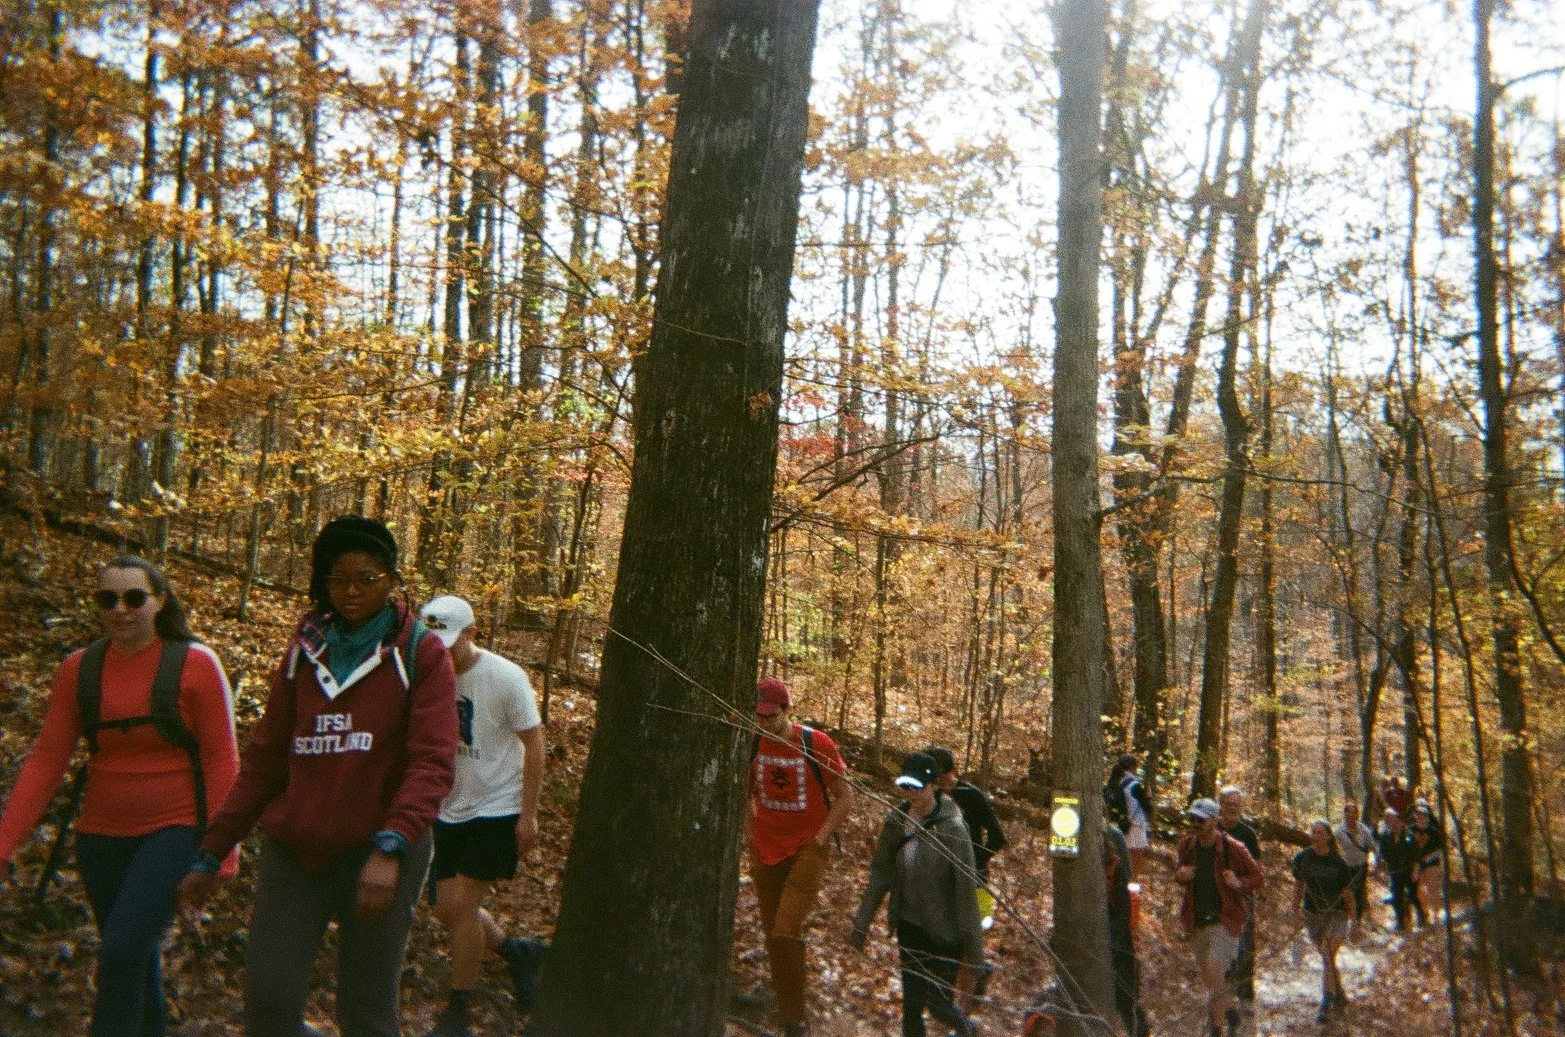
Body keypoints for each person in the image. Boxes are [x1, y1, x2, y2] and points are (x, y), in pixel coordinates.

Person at [177, 516, 458, 1037]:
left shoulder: (420, 652)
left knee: (366, 1009)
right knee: (269, 999)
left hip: (378, 850)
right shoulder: (304, 653)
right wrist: (212, 850)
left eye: (366, 579)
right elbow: (264, 762)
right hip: (297, 848)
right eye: (339, 579)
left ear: (392, 580)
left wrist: (391, 846)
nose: (351, 592)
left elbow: (432, 760)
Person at [0, 555, 239, 1037]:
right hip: (100, 836)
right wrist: (5, 842)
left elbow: (221, 760)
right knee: (132, 953)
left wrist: (222, 852)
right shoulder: (78, 669)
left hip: (175, 828)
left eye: (134, 597)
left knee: (124, 948)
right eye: (108, 599)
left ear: (160, 601)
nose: (121, 609)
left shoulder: (196, 664)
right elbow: (48, 759)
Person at [419, 595, 547, 1037]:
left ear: (472, 635)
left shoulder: (505, 678)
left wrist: (528, 815)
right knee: (444, 907)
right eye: (434, 645)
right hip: (451, 804)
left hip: (498, 802)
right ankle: (516, 951)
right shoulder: (427, 675)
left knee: (458, 904)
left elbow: (535, 742)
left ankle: (458, 1011)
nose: (443, 655)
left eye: (450, 645)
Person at [747, 677, 852, 1037]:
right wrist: (751, 834)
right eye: (759, 716)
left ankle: (796, 1021)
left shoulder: (814, 743)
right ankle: (786, 1004)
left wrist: (820, 840)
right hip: (765, 849)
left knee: (786, 930)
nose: (764, 723)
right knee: (772, 935)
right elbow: (745, 792)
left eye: (771, 716)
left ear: (787, 710)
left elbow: (845, 796)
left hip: (807, 848)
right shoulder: (752, 743)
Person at [850, 751, 982, 1037]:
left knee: (938, 1006)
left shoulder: (954, 831)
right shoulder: (896, 821)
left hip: (945, 934)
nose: (909, 793)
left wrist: (974, 949)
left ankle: (968, 1031)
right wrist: (861, 925)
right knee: (911, 1007)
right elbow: (880, 874)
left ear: (933, 785)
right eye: (904, 786)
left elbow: (965, 894)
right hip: (910, 927)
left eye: (916, 787)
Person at [1175, 797, 1263, 1037]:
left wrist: (1238, 882)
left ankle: (1216, 1030)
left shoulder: (1233, 848)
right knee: (1211, 979)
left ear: (1215, 821)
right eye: (1193, 819)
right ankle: (1232, 1011)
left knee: (1214, 970)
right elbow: (1179, 872)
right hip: (1197, 920)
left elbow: (1258, 878)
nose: (1196, 824)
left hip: (1225, 920)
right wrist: (1180, 875)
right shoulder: (1187, 846)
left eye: (1201, 820)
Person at [925, 743, 1005, 1003]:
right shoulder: (929, 799)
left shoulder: (972, 796)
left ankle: (964, 1007)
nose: (940, 783)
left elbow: (997, 837)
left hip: (975, 880)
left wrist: (974, 860)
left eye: (943, 777)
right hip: (941, 881)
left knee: (970, 943)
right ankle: (953, 996)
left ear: (954, 772)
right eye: (934, 778)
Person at [1291, 819, 1358, 1022]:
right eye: (1313, 832)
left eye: (1320, 833)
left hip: (1336, 914)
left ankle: (1325, 1002)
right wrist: (1295, 910)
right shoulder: (1303, 858)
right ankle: (1339, 993)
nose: (1316, 836)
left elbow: (1348, 895)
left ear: (1328, 836)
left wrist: (1354, 921)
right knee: (1327, 958)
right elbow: (1298, 886)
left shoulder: (1338, 863)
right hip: (1314, 915)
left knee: (1328, 953)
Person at [1216, 784, 1261, 1022]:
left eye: (1236, 804)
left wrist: (1241, 883)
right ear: (1220, 805)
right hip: (1216, 898)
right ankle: (1223, 995)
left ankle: (1246, 995)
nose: (1232, 808)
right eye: (1228, 804)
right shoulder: (1211, 830)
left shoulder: (1248, 834)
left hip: (1242, 897)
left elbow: (1258, 872)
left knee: (1244, 947)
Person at [1103, 822, 1149, 1037]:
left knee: (1126, 998)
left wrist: (1110, 941)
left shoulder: (1114, 860)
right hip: (1090, 936)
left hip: (1117, 940)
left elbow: (1123, 910)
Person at [1104, 754, 1153, 875]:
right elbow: (1148, 808)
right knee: (1135, 862)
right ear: (1132, 767)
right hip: (1136, 826)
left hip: (1121, 825)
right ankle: (1131, 889)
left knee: (1122, 858)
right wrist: (1149, 797)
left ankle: (1118, 885)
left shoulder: (1115, 782)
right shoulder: (1134, 785)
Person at [1333, 799, 1375, 934]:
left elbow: (1372, 845)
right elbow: (1333, 848)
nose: (1351, 816)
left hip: (1361, 865)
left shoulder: (1363, 830)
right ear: (1344, 815)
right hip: (1346, 866)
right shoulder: (1339, 831)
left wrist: (1377, 858)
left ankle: (1357, 921)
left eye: (1354, 813)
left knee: (1358, 892)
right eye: (1348, 813)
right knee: (1347, 892)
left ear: (1358, 814)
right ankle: (1348, 919)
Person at [1376, 808, 1419, 930]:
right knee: (1396, 897)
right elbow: (1383, 854)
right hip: (1395, 872)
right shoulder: (1385, 837)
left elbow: (1415, 855)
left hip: (1408, 870)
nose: (1394, 824)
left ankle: (1420, 918)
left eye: (1396, 821)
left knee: (1413, 896)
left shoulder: (1409, 837)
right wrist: (1383, 866)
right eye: (1390, 821)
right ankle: (1400, 922)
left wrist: (1415, 870)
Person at [1408, 801, 1444, 926]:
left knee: (1433, 890)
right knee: (1417, 890)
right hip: (1417, 865)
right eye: (1417, 815)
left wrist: (1429, 857)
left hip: (1432, 864)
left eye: (1422, 815)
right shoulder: (1411, 830)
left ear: (1427, 816)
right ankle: (1425, 914)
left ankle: (1437, 917)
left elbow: (1441, 849)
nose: (1419, 817)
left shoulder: (1434, 831)